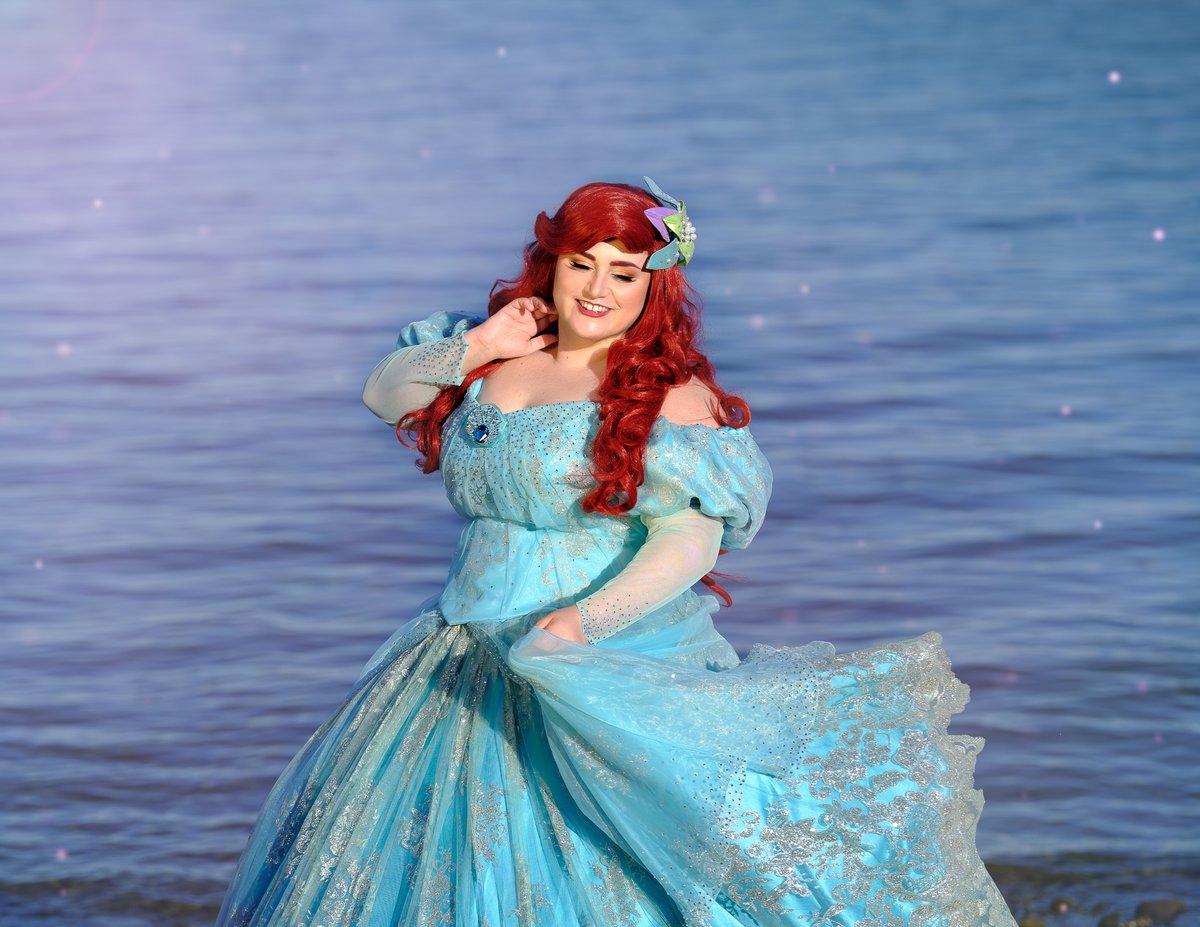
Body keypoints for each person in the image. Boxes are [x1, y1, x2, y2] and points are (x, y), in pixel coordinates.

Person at [215, 179, 1017, 926]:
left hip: (592, 652)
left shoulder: (668, 396)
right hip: (455, 650)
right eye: (581, 264)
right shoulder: (495, 357)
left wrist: (581, 623)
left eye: (624, 272)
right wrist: (480, 341)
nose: (597, 289)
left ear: (654, 284)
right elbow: (382, 393)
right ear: (552, 264)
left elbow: (691, 536)